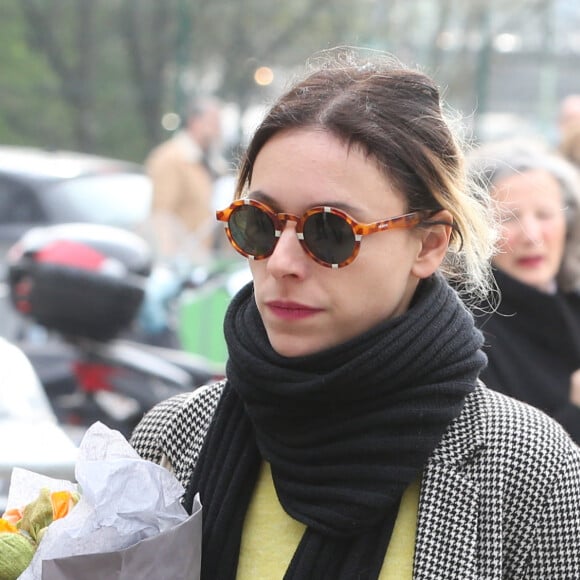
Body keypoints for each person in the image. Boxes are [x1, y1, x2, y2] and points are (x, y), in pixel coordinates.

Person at [130, 49, 580, 579]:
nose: (282, 261)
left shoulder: (529, 470)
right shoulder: (173, 436)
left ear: (429, 244)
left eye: (330, 231)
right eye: (258, 223)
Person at [469, 139, 580, 444]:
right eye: (508, 219)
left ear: (568, 225)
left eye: (545, 215)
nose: (531, 236)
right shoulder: (469, 332)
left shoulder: (572, 303)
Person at [143, 97, 225, 264]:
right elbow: (161, 216)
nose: (218, 129)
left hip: (205, 259)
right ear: (195, 122)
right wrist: (170, 262)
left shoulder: (209, 161)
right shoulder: (171, 158)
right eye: (213, 122)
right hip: (183, 265)